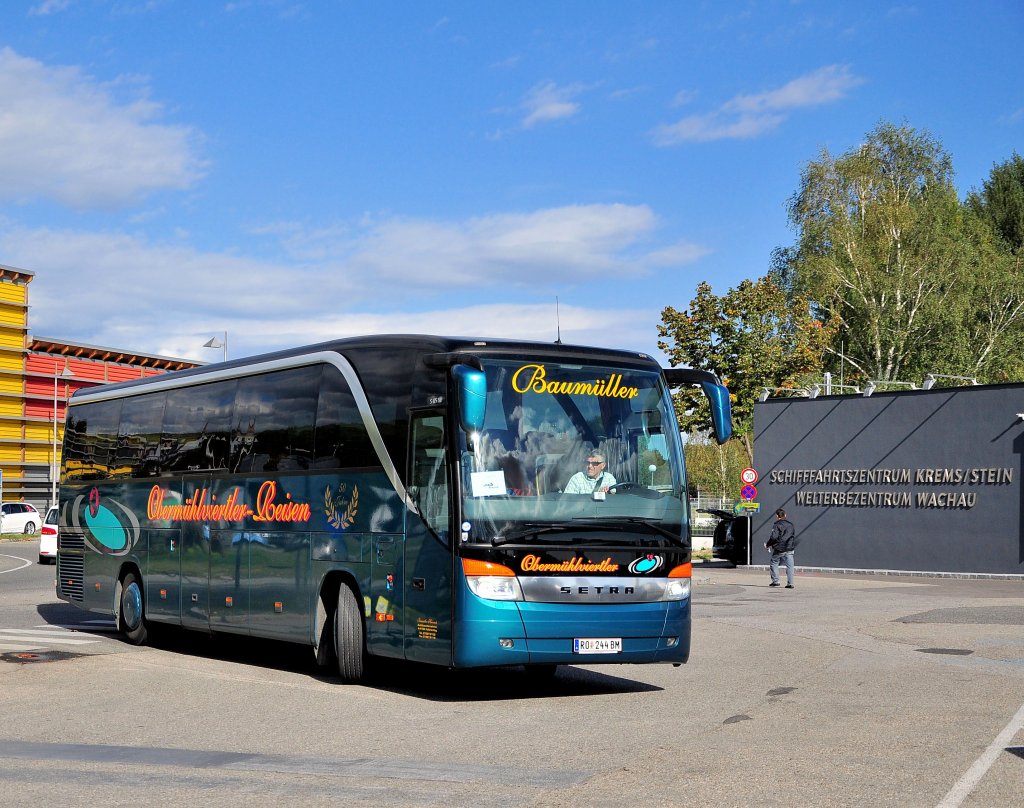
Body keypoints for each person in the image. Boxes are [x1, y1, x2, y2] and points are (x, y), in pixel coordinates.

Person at [765, 508, 797, 588]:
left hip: (779, 548)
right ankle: (790, 583)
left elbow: (774, 537)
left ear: (777, 516)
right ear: (785, 515)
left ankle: (776, 581)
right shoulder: (791, 525)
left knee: (774, 562)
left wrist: (768, 544)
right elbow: (792, 536)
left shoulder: (777, 525)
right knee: (790, 566)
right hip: (789, 548)